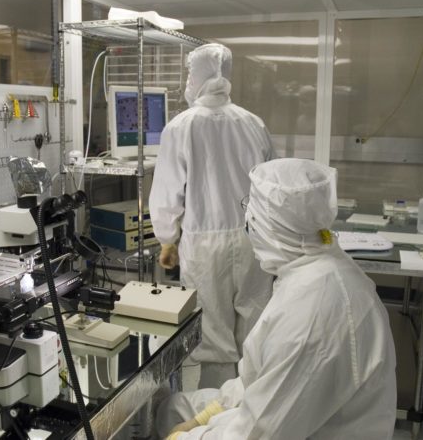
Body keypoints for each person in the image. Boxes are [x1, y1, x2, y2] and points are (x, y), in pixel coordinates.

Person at [156, 158, 397, 440]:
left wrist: (187, 437)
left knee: (175, 424)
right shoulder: (319, 264)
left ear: (272, 228)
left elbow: (258, 434)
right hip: (291, 414)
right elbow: (258, 380)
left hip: (301, 429)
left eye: (251, 213)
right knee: (173, 408)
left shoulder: (311, 314)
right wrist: (201, 418)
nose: (247, 224)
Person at [149, 43, 276, 389]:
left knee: (212, 337)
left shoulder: (181, 127)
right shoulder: (254, 124)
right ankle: (252, 414)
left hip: (204, 245)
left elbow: (167, 192)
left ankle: (216, 420)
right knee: (254, 331)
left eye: (191, 73)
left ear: (201, 76)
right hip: (254, 241)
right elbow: (271, 186)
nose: (188, 80)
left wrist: (166, 239)